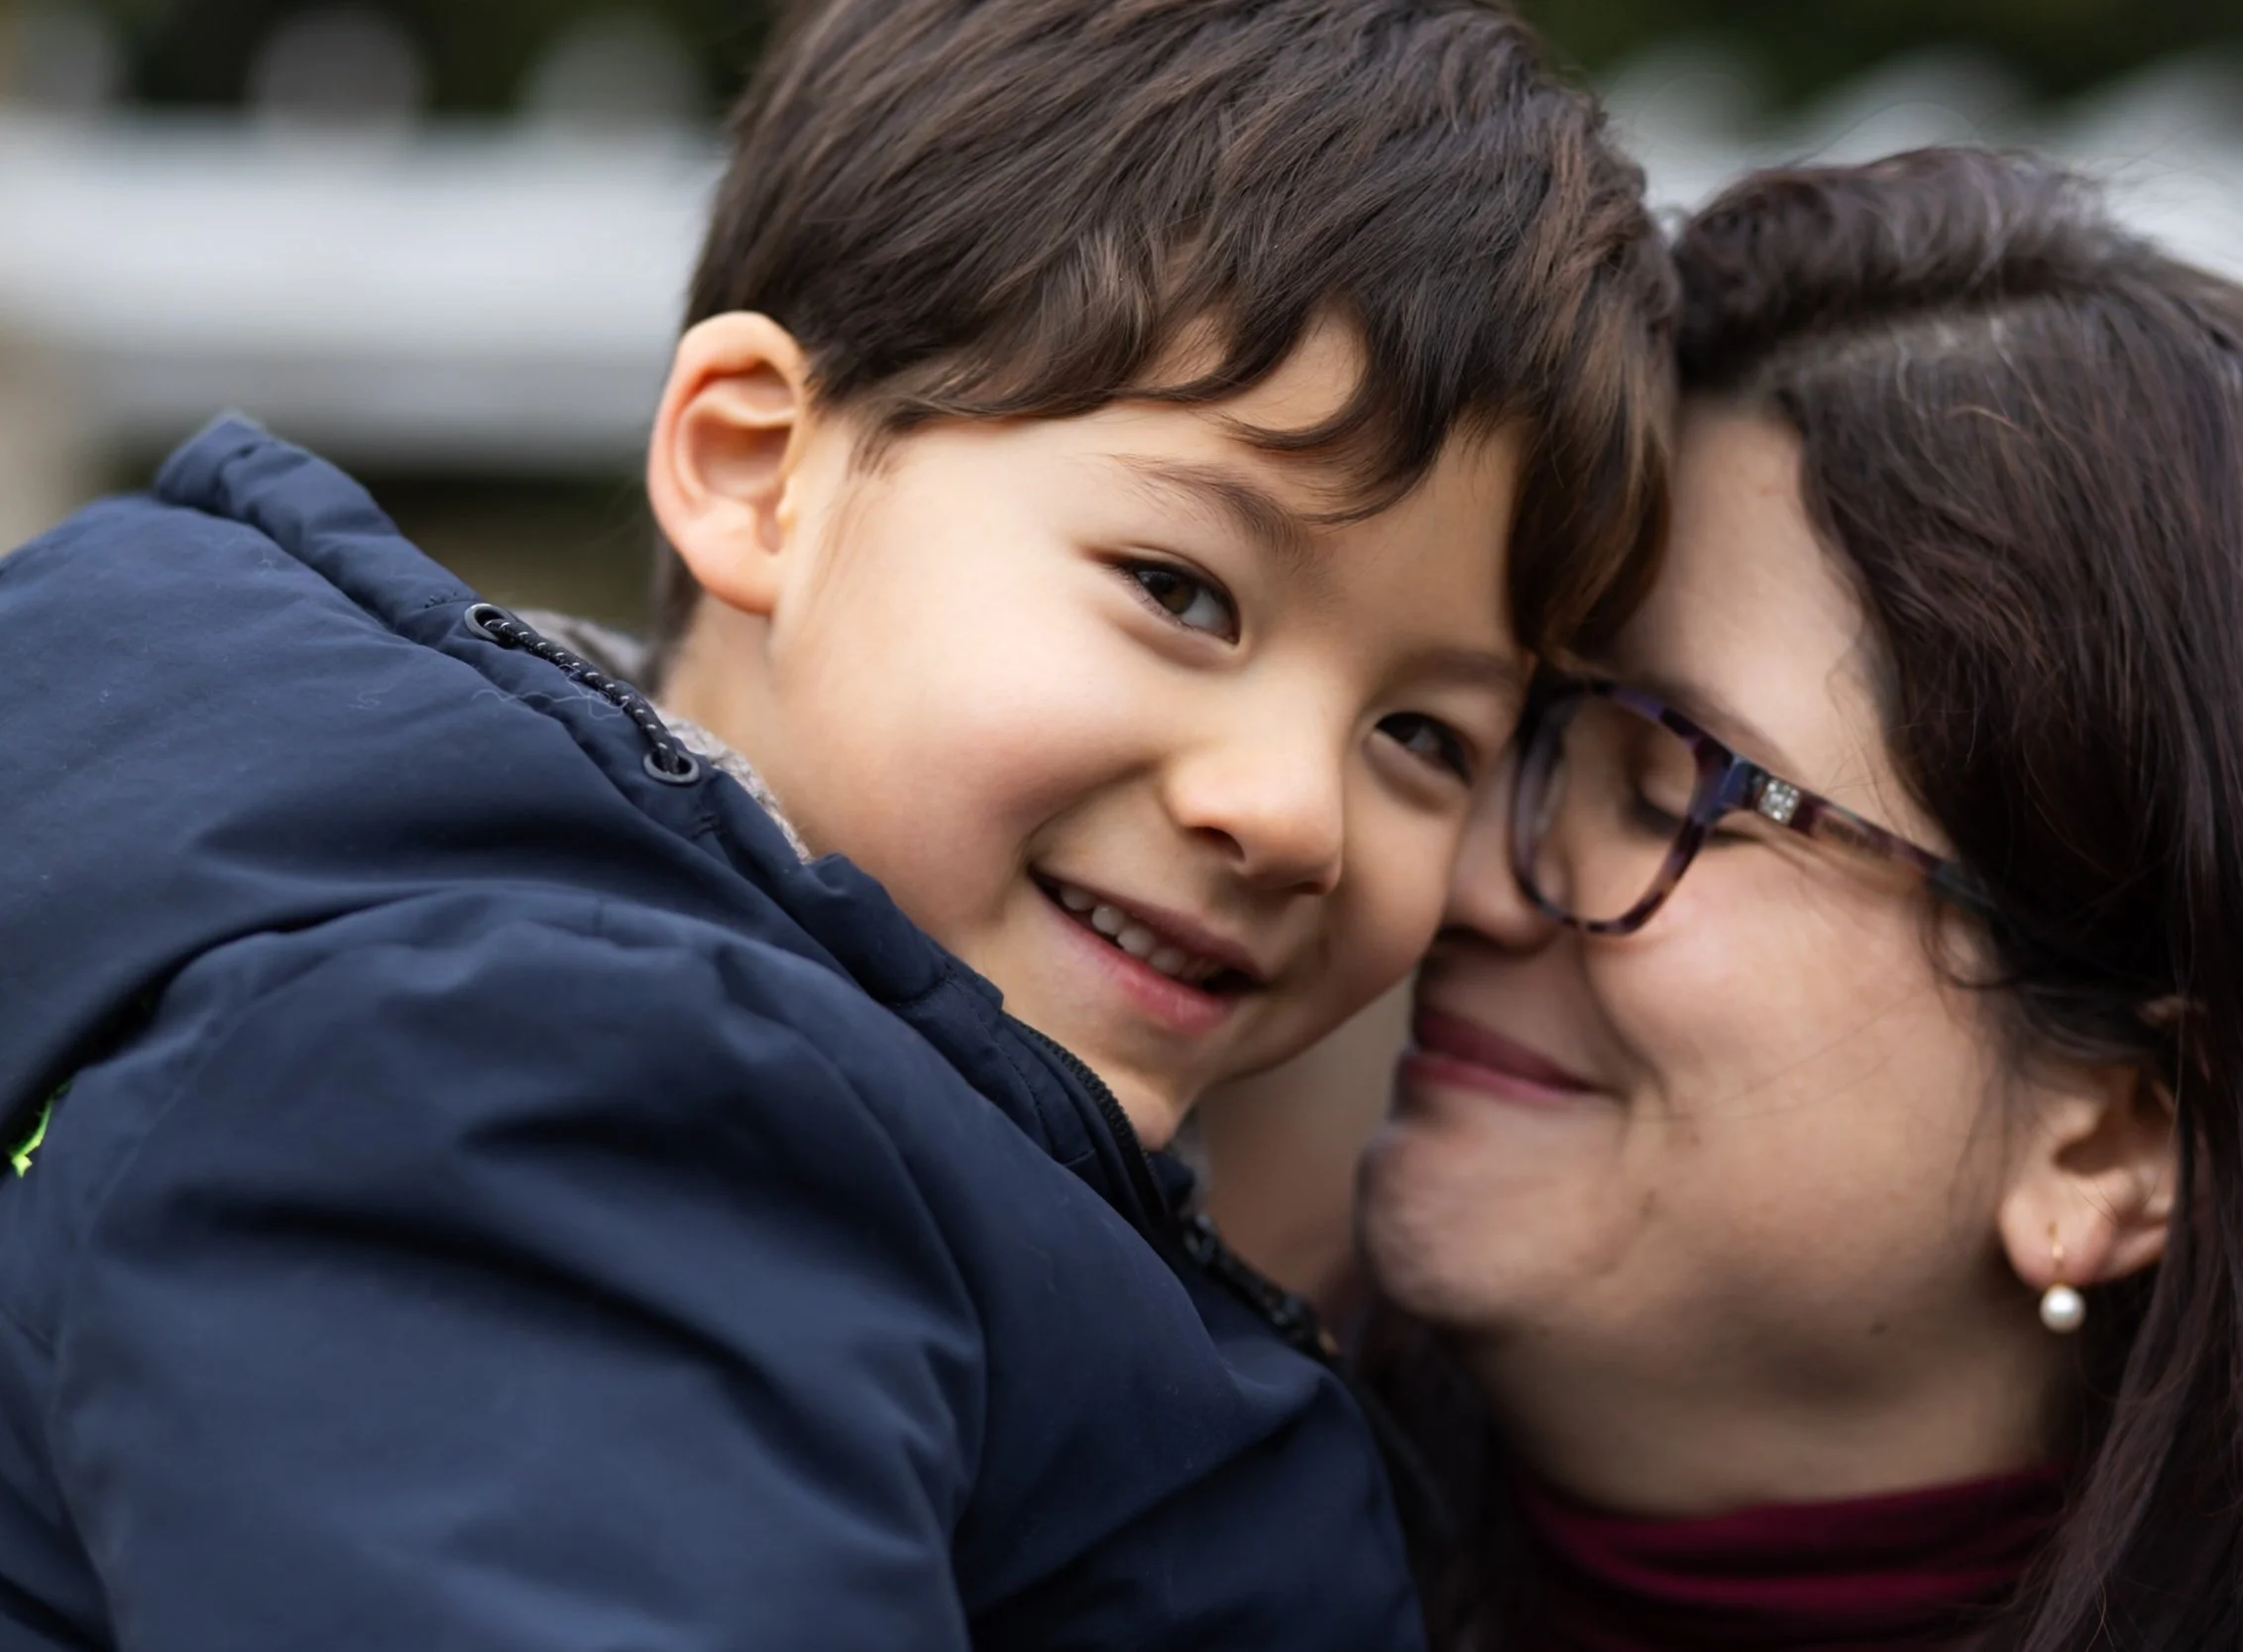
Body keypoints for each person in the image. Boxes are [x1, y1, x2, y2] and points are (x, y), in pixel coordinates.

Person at [0, 1, 1673, 1645]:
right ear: (754, 471)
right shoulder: (542, 1100)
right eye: (1183, 592)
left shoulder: (820, 1099)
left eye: (1424, 733)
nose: (1296, 812)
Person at [1351, 147, 2243, 1651]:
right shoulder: (1060, 1500)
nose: (1463, 874)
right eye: (1499, 723)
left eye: (1660, 786)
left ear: (2112, 1139)